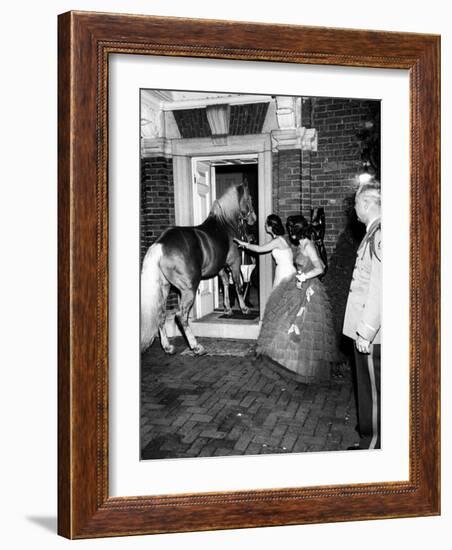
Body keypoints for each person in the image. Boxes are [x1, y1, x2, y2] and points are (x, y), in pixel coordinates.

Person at [237, 215, 337, 383]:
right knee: (287, 321)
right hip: (297, 284)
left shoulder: (309, 245)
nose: (289, 232)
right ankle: (287, 361)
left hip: (308, 289)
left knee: (302, 328)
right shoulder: (302, 243)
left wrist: (304, 276)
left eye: (291, 229)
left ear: (296, 229)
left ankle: (302, 368)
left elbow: (321, 268)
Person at [343, 182, 382, 450]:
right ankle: (368, 437)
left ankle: (374, 447)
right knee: (368, 391)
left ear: (367, 204)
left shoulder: (379, 235)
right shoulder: (373, 234)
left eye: (356, 203)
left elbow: (380, 287)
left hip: (372, 334)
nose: (354, 208)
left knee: (375, 394)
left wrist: (366, 330)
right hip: (366, 331)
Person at [234, 214, 295, 288]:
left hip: (285, 272)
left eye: (266, 223)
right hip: (285, 270)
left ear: (270, 227)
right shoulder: (280, 239)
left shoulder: (277, 241)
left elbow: (259, 249)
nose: (264, 225)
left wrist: (243, 243)